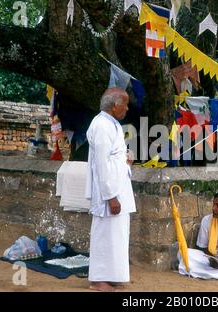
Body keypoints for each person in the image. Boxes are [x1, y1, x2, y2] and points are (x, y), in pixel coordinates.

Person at [85, 88, 136, 292]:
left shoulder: (111, 124)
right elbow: (101, 164)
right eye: (125, 104)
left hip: (118, 185)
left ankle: (112, 276)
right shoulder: (101, 125)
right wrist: (110, 196)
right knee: (104, 235)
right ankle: (98, 280)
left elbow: (113, 158)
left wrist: (126, 161)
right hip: (110, 191)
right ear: (115, 106)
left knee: (117, 235)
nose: (127, 108)